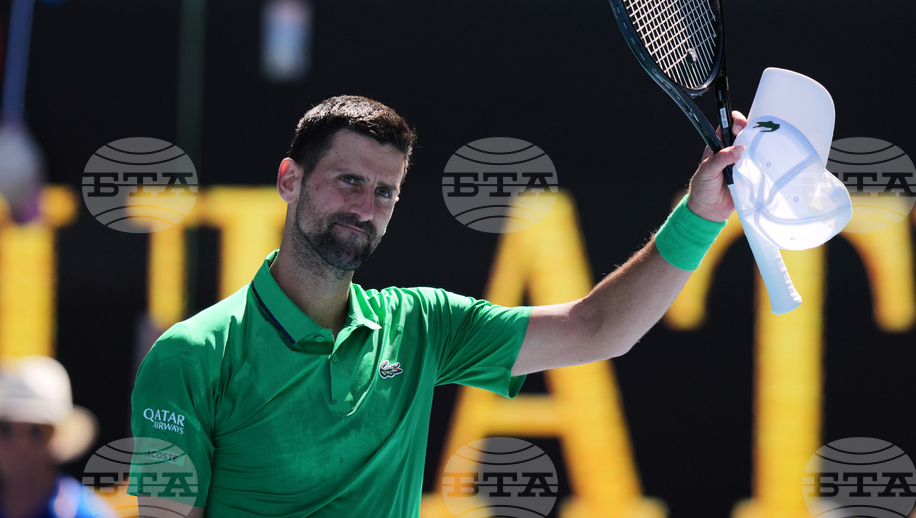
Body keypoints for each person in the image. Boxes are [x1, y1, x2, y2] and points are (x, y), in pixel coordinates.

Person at [129, 95, 747, 517]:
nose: (365, 208)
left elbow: (597, 328)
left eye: (385, 192)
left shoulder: (421, 323)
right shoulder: (188, 357)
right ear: (290, 179)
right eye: (348, 180)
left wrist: (701, 215)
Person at [0, 356, 116, 518]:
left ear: (58, 436)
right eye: (6, 429)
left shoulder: (87, 514)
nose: (21, 443)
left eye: (36, 431)